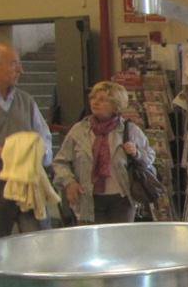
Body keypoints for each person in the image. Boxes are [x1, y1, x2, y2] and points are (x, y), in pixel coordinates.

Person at [52, 81, 154, 224]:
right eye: (93, 98)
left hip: (121, 200)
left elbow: (150, 156)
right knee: (91, 238)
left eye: (103, 100)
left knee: (119, 237)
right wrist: (69, 182)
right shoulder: (79, 130)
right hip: (88, 199)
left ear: (115, 105)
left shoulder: (130, 130)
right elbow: (60, 162)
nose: (95, 102)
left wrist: (137, 153)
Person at [0, 42, 52, 235]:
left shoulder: (26, 101)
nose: (21, 70)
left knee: (39, 242)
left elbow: (44, 136)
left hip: (29, 191)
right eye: (14, 64)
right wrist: (0, 152)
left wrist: (38, 154)